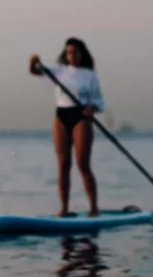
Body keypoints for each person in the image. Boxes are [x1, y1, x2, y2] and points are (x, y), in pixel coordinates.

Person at [29, 38, 104, 217]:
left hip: (82, 118)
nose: (72, 55)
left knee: (82, 164)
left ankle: (93, 208)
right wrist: (33, 61)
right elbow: (35, 71)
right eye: (69, 52)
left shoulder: (90, 75)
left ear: (82, 54)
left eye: (76, 52)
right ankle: (64, 208)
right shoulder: (58, 71)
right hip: (62, 116)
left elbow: (99, 101)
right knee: (63, 164)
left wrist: (91, 108)